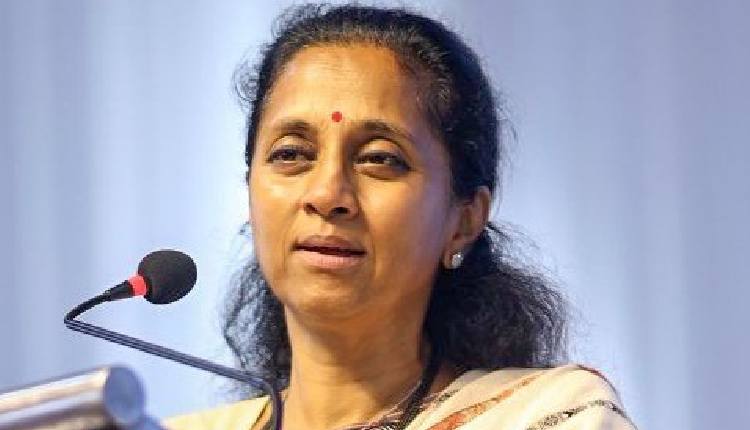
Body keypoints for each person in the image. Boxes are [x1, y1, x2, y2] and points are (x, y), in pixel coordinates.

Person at [165, 4, 636, 430]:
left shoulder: (547, 416)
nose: (327, 195)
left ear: (465, 220)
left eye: (380, 159)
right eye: (291, 154)